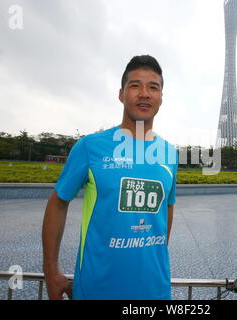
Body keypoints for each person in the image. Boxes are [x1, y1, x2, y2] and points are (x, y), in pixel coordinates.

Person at [42, 55, 178, 300]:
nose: (144, 93)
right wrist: (51, 271)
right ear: (121, 94)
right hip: (97, 290)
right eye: (135, 85)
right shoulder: (90, 147)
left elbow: (167, 209)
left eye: (153, 87)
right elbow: (58, 202)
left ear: (160, 98)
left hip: (155, 292)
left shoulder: (169, 154)